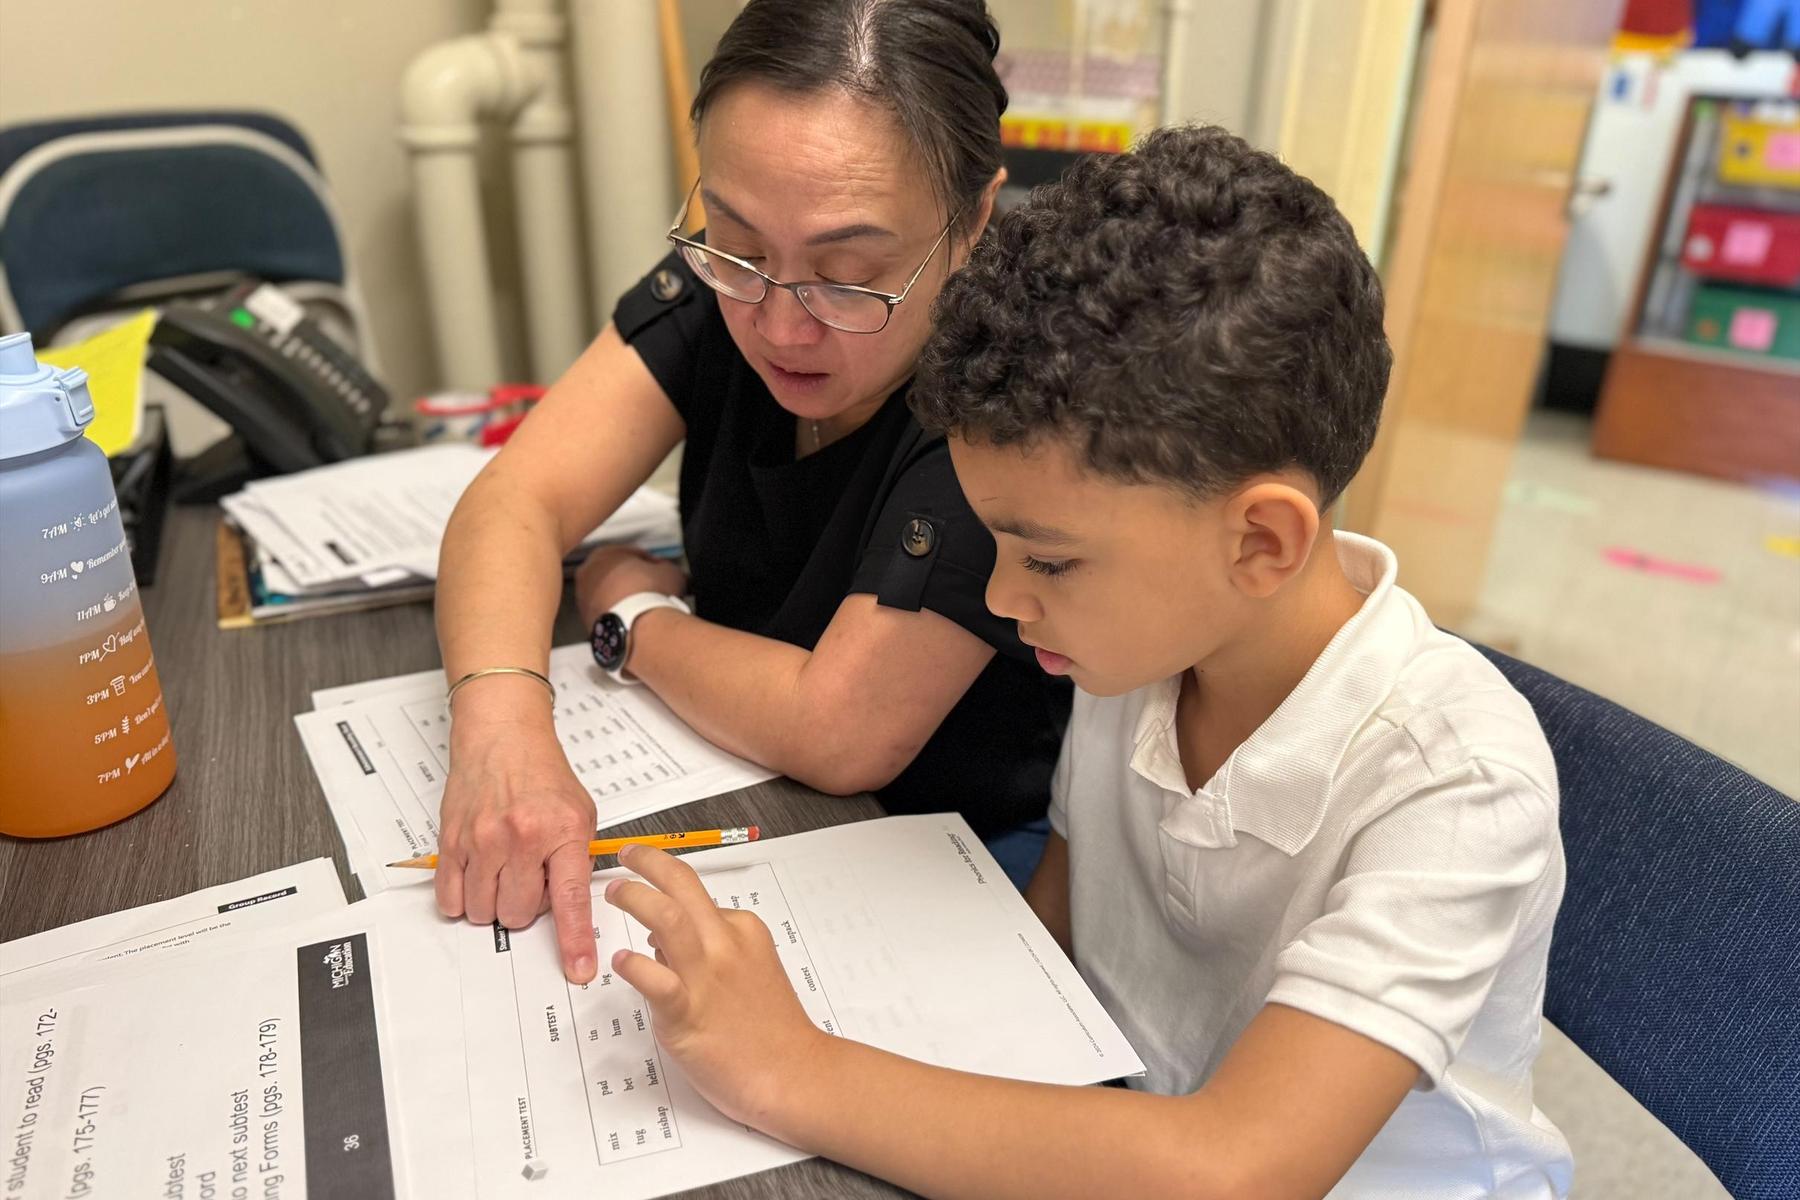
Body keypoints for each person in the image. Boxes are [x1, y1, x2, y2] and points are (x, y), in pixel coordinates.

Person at [599, 126, 1574, 1197]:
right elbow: (1053, 940)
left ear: (1260, 543)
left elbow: (1236, 1171)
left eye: (1050, 561)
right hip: (1119, 1118)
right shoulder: (1139, 653)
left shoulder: (1455, 782)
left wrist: (793, 1068)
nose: (1007, 601)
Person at [433, 0, 1071, 983]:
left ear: (973, 221)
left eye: (849, 276)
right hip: (742, 787)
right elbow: (513, 500)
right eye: (735, 244)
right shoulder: (724, 284)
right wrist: (501, 731)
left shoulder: (1000, 398)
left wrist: (633, 615)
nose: (780, 324)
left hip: (943, 855)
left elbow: (838, 730)